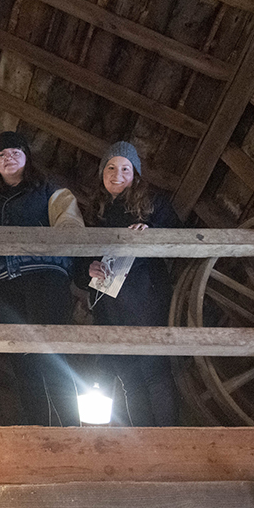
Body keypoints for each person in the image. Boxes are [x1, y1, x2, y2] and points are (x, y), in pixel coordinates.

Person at [0, 129, 84, 426]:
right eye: (1, 155)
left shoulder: (52, 193)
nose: (8, 158)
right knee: (24, 365)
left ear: (27, 157)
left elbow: (70, 227)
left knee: (54, 358)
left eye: (15, 152)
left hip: (44, 280)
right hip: (2, 288)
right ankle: (39, 437)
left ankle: (73, 435)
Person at [82, 141, 180, 426]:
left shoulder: (154, 205)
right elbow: (81, 258)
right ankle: (145, 448)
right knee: (128, 378)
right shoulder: (94, 213)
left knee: (154, 372)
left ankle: (170, 443)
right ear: (102, 173)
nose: (117, 174)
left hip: (146, 301)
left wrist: (151, 233)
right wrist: (88, 269)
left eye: (125, 168)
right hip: (108, 309)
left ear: (135, 173)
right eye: (111, 168)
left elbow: (178, 235)